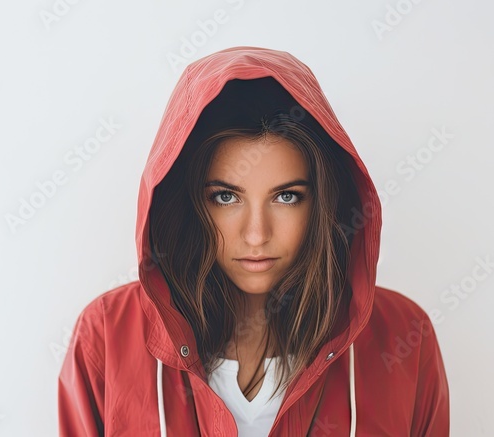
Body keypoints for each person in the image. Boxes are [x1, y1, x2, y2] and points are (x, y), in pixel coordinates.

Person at [57, 47, 450, 436]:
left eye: (287, 196)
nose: (257, 234)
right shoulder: (107, 335)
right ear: (188, 203)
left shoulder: (402, 336)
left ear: (323, 202)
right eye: (226, 197)